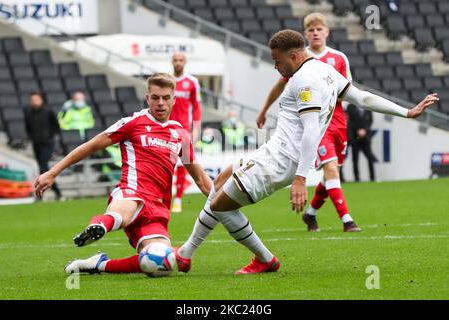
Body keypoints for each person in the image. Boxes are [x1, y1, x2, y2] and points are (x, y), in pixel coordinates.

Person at [174, 29, 438, 275]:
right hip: (272, 150)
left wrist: (300, 179)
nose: (276, 67)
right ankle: (186, 254)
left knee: (221, 206)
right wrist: (406, 112)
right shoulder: (324, 70)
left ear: (294, 55)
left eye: (277, 61)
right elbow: (363, 98)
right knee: (221, 179)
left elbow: (311, 130)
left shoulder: (304, 81)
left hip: (280, 161)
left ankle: (265, 260)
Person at [34, 73, 212, 275]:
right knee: (121, 213)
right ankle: (99, 225)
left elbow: (200, 179)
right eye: (155, 98)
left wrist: (222, 202)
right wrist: (53, 172)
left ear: (174, 100)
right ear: (147, 98)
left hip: (157, 209)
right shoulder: (132, 123)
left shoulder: (181, 135)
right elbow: (91, 146)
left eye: (165, 98)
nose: (160, 103)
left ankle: (98, 264)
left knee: (163, 263)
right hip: (131, 192)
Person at [257, 12, 361, 233]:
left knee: (331, 173)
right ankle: (347, 221)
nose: (315, 33)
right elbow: (280, 85)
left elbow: (347, 90)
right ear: (306, 34)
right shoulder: (296, 59)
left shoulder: (338, 58)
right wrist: (265, 109)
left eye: (319, 29)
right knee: (331, 169)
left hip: (338, 121)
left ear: (326, 32)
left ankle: (311, 214)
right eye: (311, 30)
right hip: (315, 122)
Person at [169, 52, 202, 213]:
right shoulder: (166, 81)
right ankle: (165, 196)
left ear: (185, 62)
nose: (178, 63)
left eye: (181, 60)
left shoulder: (192, 82)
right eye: (175, 60)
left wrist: (195, 129)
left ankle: (179, 199)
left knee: (183, 163)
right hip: (166, 128)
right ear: (172, 62)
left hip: (183, 129)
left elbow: (196, 107)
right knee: (166, 163)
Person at [24, 92, 64, 201]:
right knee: (43, 169)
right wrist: (32, 137)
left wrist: (53, 138)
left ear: (41, 100)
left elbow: (56, 126)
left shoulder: (48, 111)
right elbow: (28, 128)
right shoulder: (28, 113)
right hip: (36, 144)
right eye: (32, 100)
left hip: (48, 143)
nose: (34, 102)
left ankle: (51, 193)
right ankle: (55, 193)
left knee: (43, 167)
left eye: (36, 99)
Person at [347, 103, 376, 182]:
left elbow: (370, 121)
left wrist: (365, 130)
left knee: (370, 157)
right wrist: (358, 131)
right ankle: (357, 178)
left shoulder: (367, 107)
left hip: (366, 138)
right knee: (355, 159)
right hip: (355, 137)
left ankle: (372, 178)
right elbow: (351, 122)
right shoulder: (350, 107)